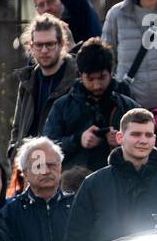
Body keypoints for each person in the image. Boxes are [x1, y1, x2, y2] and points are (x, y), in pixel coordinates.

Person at [62, 108, 157, 241]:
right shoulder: (94, 184)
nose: (143, 140)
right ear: (120, 137)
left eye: (148, 135)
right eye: (136, 134)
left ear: (154, 139)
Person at [43, 39, 139, 172]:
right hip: (74, 181)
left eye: (102, 77)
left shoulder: (127, 105)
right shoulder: (63, 106)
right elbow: (47, 147)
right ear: (80, 75)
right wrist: (78, 140)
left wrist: (124, 141)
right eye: (90, 79)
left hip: (120, 180)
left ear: (111, 73)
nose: (97, 85)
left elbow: (149, 141)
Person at [8, 14, 75, 162]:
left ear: (61, 44)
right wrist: (14, 153)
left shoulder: (77, 78)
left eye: (50, 44)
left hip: (64, 165)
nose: (44, 50)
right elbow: (18, 128)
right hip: (30, 166)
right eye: (39, 45)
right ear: (31, 46)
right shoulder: (27, 80)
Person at [1, 137, 73, 241]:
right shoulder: (10, 213)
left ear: (60, 168)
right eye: (38, 166)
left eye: (51, 165)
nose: (45, 171)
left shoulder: (76, 206)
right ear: (25, 173)